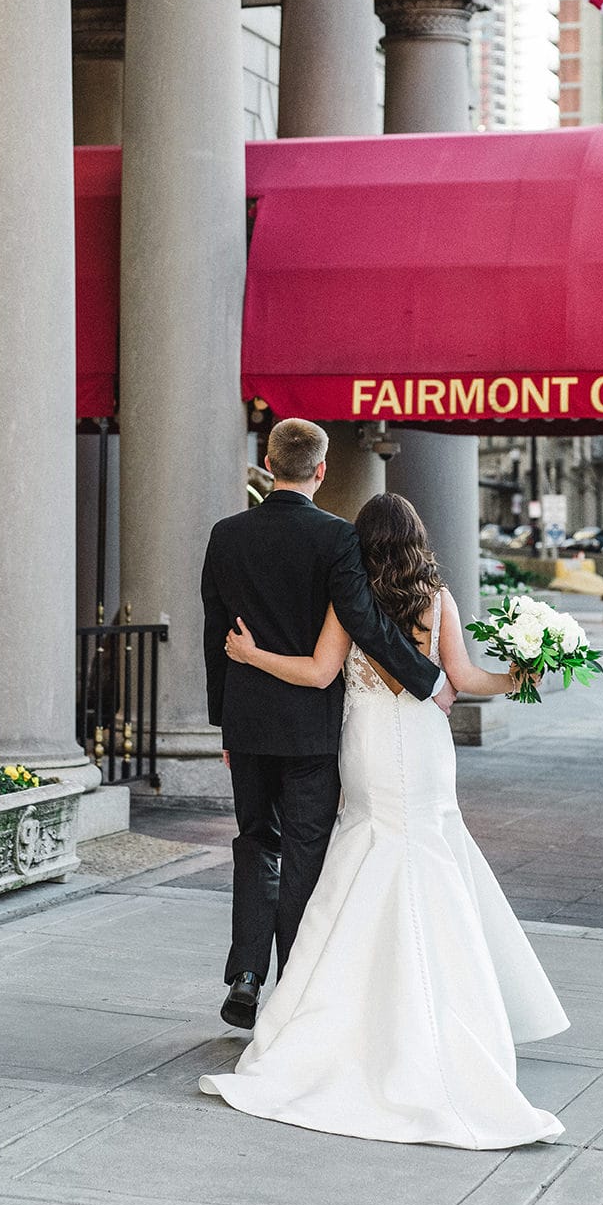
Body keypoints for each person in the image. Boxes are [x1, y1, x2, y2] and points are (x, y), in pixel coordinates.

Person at [199, 492, 567, 1149]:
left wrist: (248, 657)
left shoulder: (350, 603)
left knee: (366, 850)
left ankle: (333, 1010)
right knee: (429, 850)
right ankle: (451, 1013)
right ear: (417, 540)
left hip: (368, 747)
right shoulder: (437, 599)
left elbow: (316, 675)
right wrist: (521, 674)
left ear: (361, 545)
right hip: (425, 748)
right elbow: (462, 679)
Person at [201, 418, 449, 1035]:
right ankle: (296, 989)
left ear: (267, 461)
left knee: (257, 841)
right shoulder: (336, 537)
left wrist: (223, 725)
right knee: (306, 854)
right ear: (320, 470)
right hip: (311, 730)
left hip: (250, 725)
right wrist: (427, 679)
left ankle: (246, 975)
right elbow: (363, 622)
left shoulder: (226, 535)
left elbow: (215, 636)